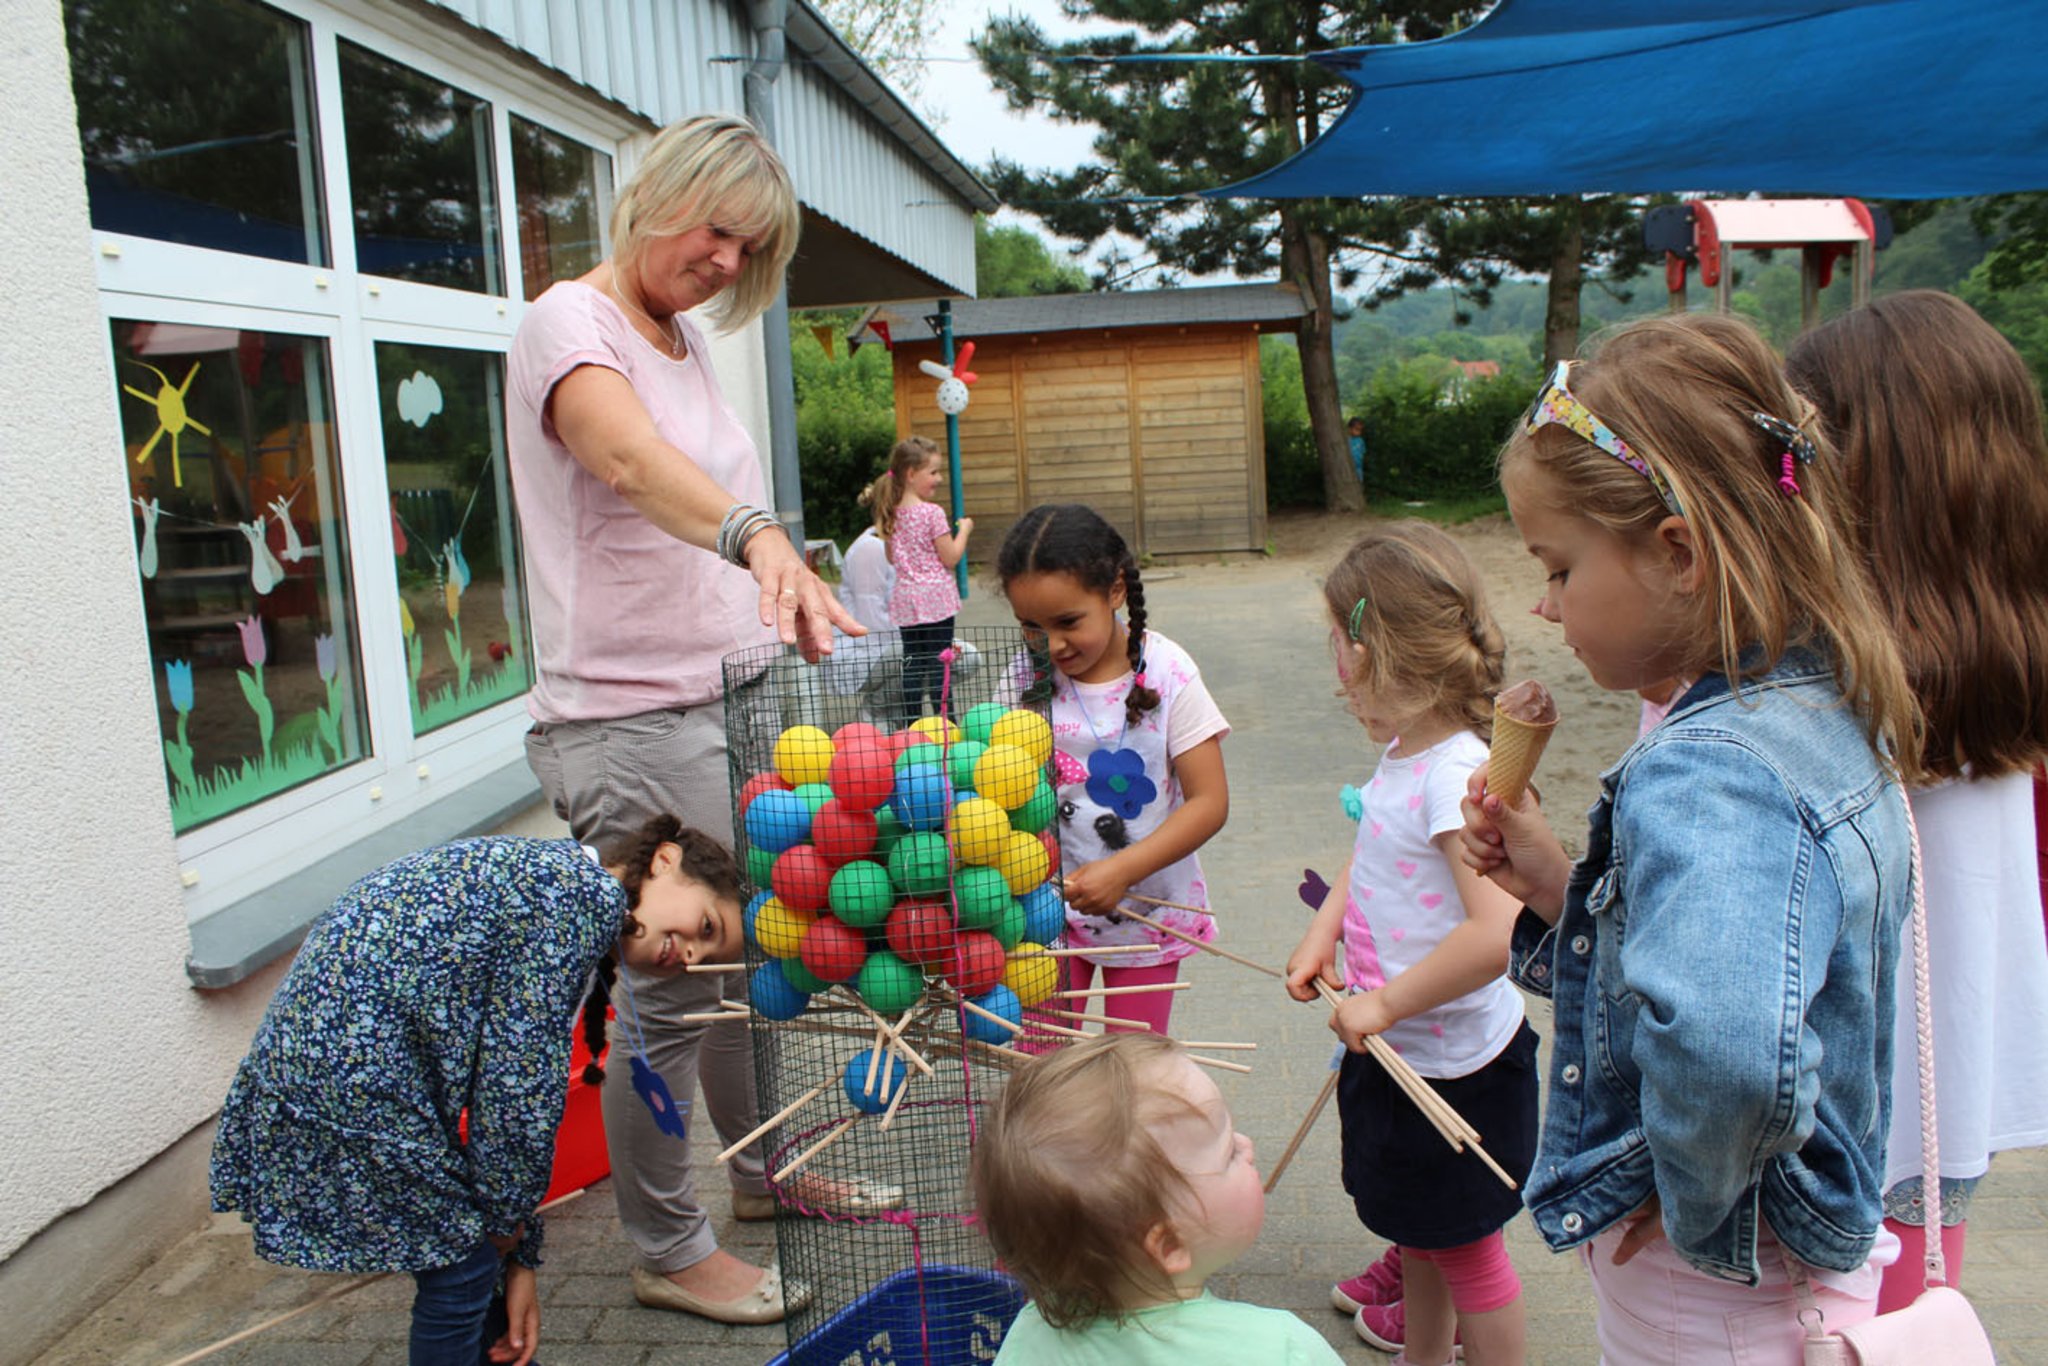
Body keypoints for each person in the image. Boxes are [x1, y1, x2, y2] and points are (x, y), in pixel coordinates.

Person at [1461, 313, 1921, 1363]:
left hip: (1713, 1287)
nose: (1543, 603)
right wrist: (1556, 893)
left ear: (1674, 554)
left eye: (1560, 568)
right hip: (1807, 1266)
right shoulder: (1821, 708)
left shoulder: (1704, 766)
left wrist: (1695, 1190)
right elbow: (1768, 973)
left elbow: (1723, 1056)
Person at [506, 113, 859, 1324]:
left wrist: (786, 595)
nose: (723, 261)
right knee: (670, 987)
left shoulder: (684, 337)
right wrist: (755, 535)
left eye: (747, 249)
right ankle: (666, 1244)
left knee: (742, 959)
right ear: (658, 193)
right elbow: (629, 463)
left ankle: (764, 1171)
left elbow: (716, 501)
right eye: (715, 229)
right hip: (628, 722)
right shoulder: (574, 322)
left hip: (726, 698)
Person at [211, 821, 747, 1366]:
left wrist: (511, 1243)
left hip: (334, 1057)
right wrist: (516, 1248)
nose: (692, 959)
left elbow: (503, 1100)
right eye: (707, 926)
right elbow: (515, 1103)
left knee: (472, 1245)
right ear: (663, 860)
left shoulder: (560, 880)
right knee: (463, 1267)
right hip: (351, 1073)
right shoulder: (577, 901)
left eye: (706, 955)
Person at [1786, 290, 2048, 1313]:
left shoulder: (1823, 674)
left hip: (1834, 1094)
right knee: (1913, 1308)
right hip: (1953, 1082)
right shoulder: (2014, 653)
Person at [1286, 521, 1536, 1366]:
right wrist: (1324, 935)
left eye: (1338, 653)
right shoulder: (1405, 756)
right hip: (1400, 1051)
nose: (1334, 676)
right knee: (1423, 1239)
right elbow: (1371, 857)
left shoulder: (1455, 776)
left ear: (1381, 658)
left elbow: (1496, 935)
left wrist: (1383, 1001)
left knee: (1469, 1254)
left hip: (1458, 1070)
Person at [996, 503, 1230, 1037]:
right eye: (1030, 626)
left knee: (1130, 1075)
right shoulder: (1023, 676)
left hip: (1148, 915)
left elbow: (1209, 801)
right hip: (1040, 919)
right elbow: (998, 782)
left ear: (1116, 590)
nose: (1050, 645)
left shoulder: (1169, 672)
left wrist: (1122, 871)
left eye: (1068, 622)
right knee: (1041, 1072)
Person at [972, 1032, 1345, 1365]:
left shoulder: (1029, 1336)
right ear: (1168, 1245)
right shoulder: (1282, 1348)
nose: (1248, 1147)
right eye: (1229, 1151)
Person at [866, 435, 972, 723]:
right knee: (941, 664)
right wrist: (964, 531)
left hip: (906, 599)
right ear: (911, 474)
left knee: (912, 664)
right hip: (936, 599)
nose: (938, 478)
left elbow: (891, 558)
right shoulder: (932, 513)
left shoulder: (891, 512)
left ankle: (912, 727)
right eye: (934, 472)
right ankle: (945, 725)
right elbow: (950, 557)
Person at [1348, 416, 1368, 487]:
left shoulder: (1361, 440)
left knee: (1359, 481)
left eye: (1360, 430)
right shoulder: (1347, 440)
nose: (1358, 432)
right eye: (1356, 429)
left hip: (1358, 466)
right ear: (1350, 429)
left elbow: (1363, 451)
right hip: (1349, 465)